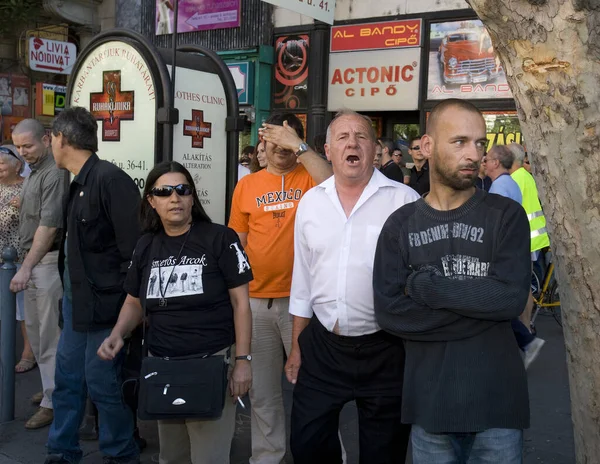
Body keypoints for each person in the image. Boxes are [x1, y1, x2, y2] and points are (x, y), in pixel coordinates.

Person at [374, 99, 531, 463]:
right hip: (429, 408)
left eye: (479, 143)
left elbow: (509, 300)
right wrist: (481, 309)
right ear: (427, 147)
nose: (473, 154)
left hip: (498, 407)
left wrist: (426, 288)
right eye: (459, 141)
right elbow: (390, 314)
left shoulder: (506, 216)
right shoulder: (400, 225)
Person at [98, 161, 253, 464]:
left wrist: (243, 361)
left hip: (211, 365)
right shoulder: (146, 245)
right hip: (163, 367)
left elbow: (241, 304)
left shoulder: (220, 239)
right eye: (164, 191)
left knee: (209, 458)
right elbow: (134, 301)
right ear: (151, 201)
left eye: (183, 190)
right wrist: (118, 333)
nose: (175, 198)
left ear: (192, 198)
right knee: (171, 458)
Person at [287, 110, 418, 464]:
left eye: (361, 136)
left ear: (375, 149)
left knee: (384, 452)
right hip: (324, 348)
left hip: (386, 349)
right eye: (342, 137)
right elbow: (303, 281)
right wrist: (298, 347)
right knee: (308, 445)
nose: (352, 143)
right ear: (328, 151)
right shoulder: (311, 203)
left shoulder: (404, 202)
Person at [229, 113, 332, 464]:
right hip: (256, 304)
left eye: (286, 140)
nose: (279, 147)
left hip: (302, 304)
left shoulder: (312, 178)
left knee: (316, 391)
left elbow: (333, 182)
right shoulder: (247, 185)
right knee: (263, 395)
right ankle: (267, 458)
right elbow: (238, 246)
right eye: (273, 139)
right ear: (262, 142)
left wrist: (298, 146)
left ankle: (325, 456)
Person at [42, 108, 140, 464]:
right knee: (67, 384)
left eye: (51, 137)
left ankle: (121, 454)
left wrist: (125, 316)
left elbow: (134, 254)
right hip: (75, 306)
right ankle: (62, 451)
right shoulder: (76, 182)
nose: (50, 144)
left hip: (106, 311)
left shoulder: (111, 180)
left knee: (104, 388)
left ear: (63, 140)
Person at [10, 119, 66, 430]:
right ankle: (49, 390)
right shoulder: (35, 171)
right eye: (17, 147)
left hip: (45, 262)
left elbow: (50, 225)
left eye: (27, 146)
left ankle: (53, 400)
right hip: (33, 262)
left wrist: (27, 266)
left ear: (46, 139)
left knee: (48, 335)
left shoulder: (54, 173)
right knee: (36, 330)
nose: (22, 152)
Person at [485, 144, 546, 368]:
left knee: (496, 302)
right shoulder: (511, 181)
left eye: (487, 158)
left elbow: (497, 225)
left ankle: (526, 339)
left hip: (507, 252)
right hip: (520, 247)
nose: (483, 161)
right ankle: (526, 337)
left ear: (496, 163)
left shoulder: (501, 186)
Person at [0, 145, 35, 375]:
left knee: (23, 310)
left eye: (2, 163)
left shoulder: (26, 189)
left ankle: (28, 354)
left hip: (19, 256)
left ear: (18, 165)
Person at [509, 143, 550, 337]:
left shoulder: (515, 179)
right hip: (537, 238)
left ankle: (525, 327)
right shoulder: (525, 176)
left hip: (528, 240)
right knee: (530, 285)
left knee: (525, 287)